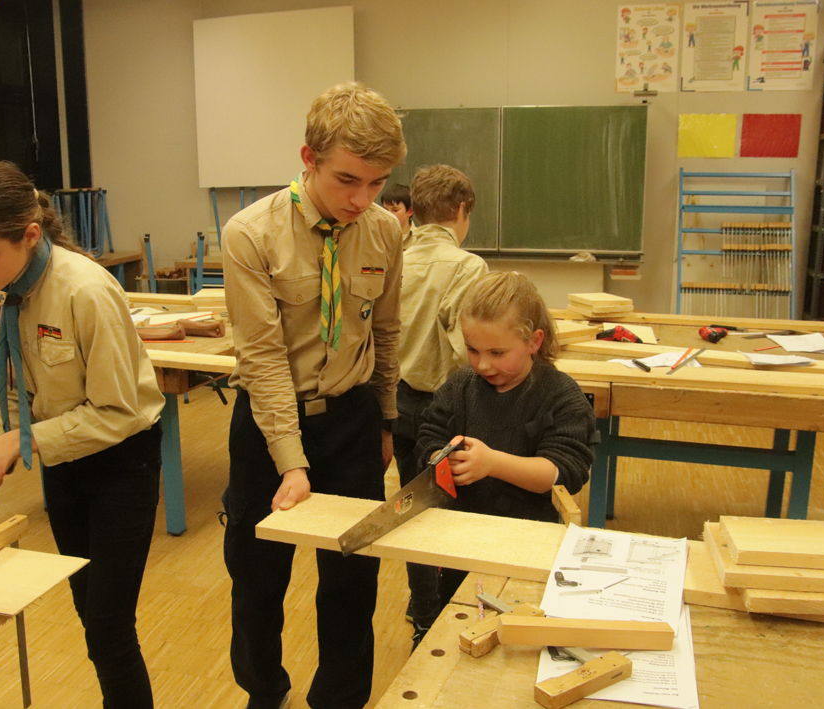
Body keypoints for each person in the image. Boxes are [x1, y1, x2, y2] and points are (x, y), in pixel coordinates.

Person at [0, 161, 164, 709]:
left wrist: (20, 442)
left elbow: (117, 413)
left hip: (122, 461)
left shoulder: (85, 290)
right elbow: (3, 388)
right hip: (63, 463)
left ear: (31, 234)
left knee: (109, 626)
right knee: (89, 613)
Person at [221, 82, 405, 709]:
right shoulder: (251, 234)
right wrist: (291, 461)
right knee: (256, 578)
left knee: (353, 579)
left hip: (351, 421)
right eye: (347, 180)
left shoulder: (385, 233)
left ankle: (340, 701)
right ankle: (264, 692)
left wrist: (385, 422)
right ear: (309, 158)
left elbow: (386, 332)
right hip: (269, 423)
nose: (361, 199)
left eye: (377, 183)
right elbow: (263, 357)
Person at [415, 271, 597, 610]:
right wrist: (441, 457)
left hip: (529, 545)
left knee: (520, 624)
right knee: (456, 614)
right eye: (472, 350)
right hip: (460, 541)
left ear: (534, 341)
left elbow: (564, 472)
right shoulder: (460, 387)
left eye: (497, 352)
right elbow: (429, 435)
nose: (483, 364)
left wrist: (492, 463)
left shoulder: (561, 396)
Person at [391, 164, 488, 645]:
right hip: (448, 408)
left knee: (411, 505)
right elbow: (467, 352)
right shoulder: (467, 267)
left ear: (416, 210)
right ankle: (446, 616)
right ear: (462, 210)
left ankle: (422, 607)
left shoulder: (393, 258)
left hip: (398, 400)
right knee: (454, 512)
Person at [380, 182, 415, 248]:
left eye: (395, 210)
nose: (388, 214)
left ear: (409, 211)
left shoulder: (419, 238)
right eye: (385, 210)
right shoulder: (377, 235)